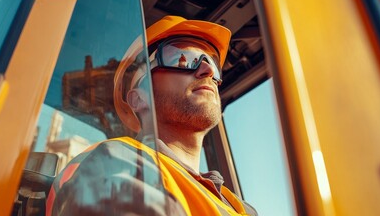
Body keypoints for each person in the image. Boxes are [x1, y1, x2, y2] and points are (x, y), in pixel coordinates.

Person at [46, 16, 257, 216]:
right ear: (138, 99)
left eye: (211, 63)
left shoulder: (238, 205)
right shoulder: (115, 161)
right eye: (183, 60)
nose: (207, 70)